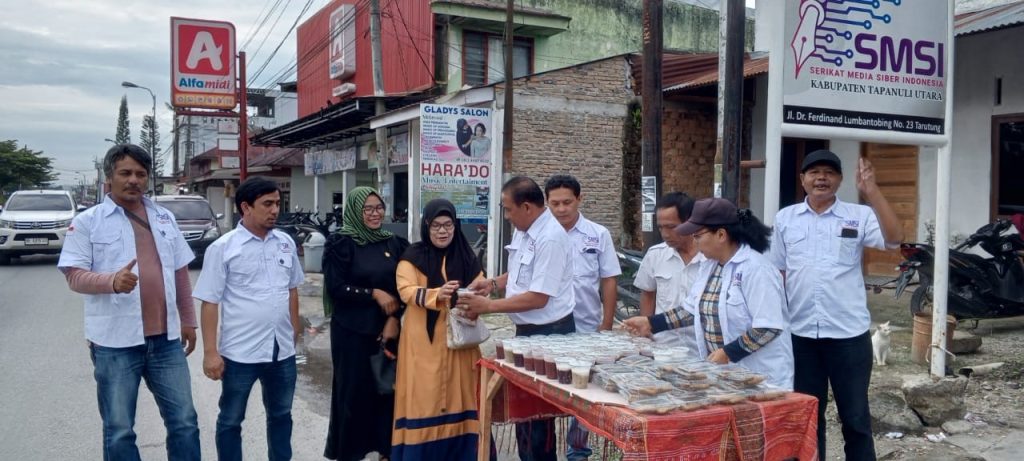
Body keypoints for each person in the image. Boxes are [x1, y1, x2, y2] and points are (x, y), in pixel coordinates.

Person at [57, 143, 201, 461]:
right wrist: (110, 281)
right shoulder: (88, 222)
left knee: (185, 422)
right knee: (120, 429)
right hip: (114, 343)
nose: (133, 179)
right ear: (110, 177)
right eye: (125, 173)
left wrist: (188, 320)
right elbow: (73, 276)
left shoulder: (164, 218)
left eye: (140, 173)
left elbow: (179, 273)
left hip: (166, 342)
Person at [770, 150, 903, 460]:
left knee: (855, 419)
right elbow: (778, 271)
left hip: (849, 336)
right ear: (802, 179)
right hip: (801, 336)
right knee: (807, 419)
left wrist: (872, 191)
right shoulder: (785, 218)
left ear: (840, 180)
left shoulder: (859, 215)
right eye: (814, 172)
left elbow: (895, 239)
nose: (821, 178)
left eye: (829, 172)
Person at [458, 176, 575, 461]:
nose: (506, 216)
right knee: (523, 414)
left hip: (550, 334)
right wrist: (494, 284)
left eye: (508, 209)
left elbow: (538, 297)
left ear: (526, 207)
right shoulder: (525, 230)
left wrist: (487, 306)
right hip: (527, 332)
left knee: (538, 418)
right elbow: (524, 275)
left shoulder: (551, 237)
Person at [624, 198, 793, 389]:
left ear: (721, 234)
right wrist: (651, 323)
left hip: (760, 378)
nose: (694, 243)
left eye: (698, 236)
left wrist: (728, 352)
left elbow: (768, 327)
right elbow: (691, 310)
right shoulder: (710, 266)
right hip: (724, 374)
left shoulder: (756, 269)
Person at [192, 177, 304, 461]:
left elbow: (292, 289)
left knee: (281, 415)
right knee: (230, 420)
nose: (275, 210)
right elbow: (210, 302)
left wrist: (294, 329)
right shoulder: (224, 248)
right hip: (240, 353)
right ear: (246, 207)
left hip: (282, 352)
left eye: (278, 203)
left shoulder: (285, 243)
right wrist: (210, 353)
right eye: (267, 204)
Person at [391, 199, 487, 460]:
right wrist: (437, 294)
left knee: (463, 395)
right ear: (426, 226)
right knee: (425, 397)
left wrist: (476, 296)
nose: (443, 231)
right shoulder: (412, 257)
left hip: (461, 343)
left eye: (448, 225)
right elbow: (405, 291)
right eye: (436, 225)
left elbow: (479, 287)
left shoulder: (467, 257)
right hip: (424, 343)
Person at [323, 186, 410, 461]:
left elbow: (405, 287)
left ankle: (387, 450)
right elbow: (336, 288)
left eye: (379, 208)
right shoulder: (341, 243)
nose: (375, 214)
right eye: (368, 209)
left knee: (387, 392)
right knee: (353, 394)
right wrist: (373, 293)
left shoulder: (394, 243)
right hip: (351, 332)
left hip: (388, 331)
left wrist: (394, 318)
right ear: (354, 211)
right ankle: (350, 453)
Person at [544, 174, 620, 461]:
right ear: (547, 203)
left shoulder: (597, 234)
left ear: (579, 199)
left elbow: (609, 279)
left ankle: (578, 451)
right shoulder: (540, 234)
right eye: (555, 203)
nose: (561, 209)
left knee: (585, 391)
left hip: (587, 325)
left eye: (567, 202)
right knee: (550, 387)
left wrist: (607, 324)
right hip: (548, 325)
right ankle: (545, 448)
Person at [633, 192, 704, 348]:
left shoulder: (710, 258)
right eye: (661, 227)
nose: (665, 234)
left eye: (672, 227)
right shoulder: (655, 255)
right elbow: (648, 294)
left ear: (690, 222)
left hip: (703, 347)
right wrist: (647, 326)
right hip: (664, 345)